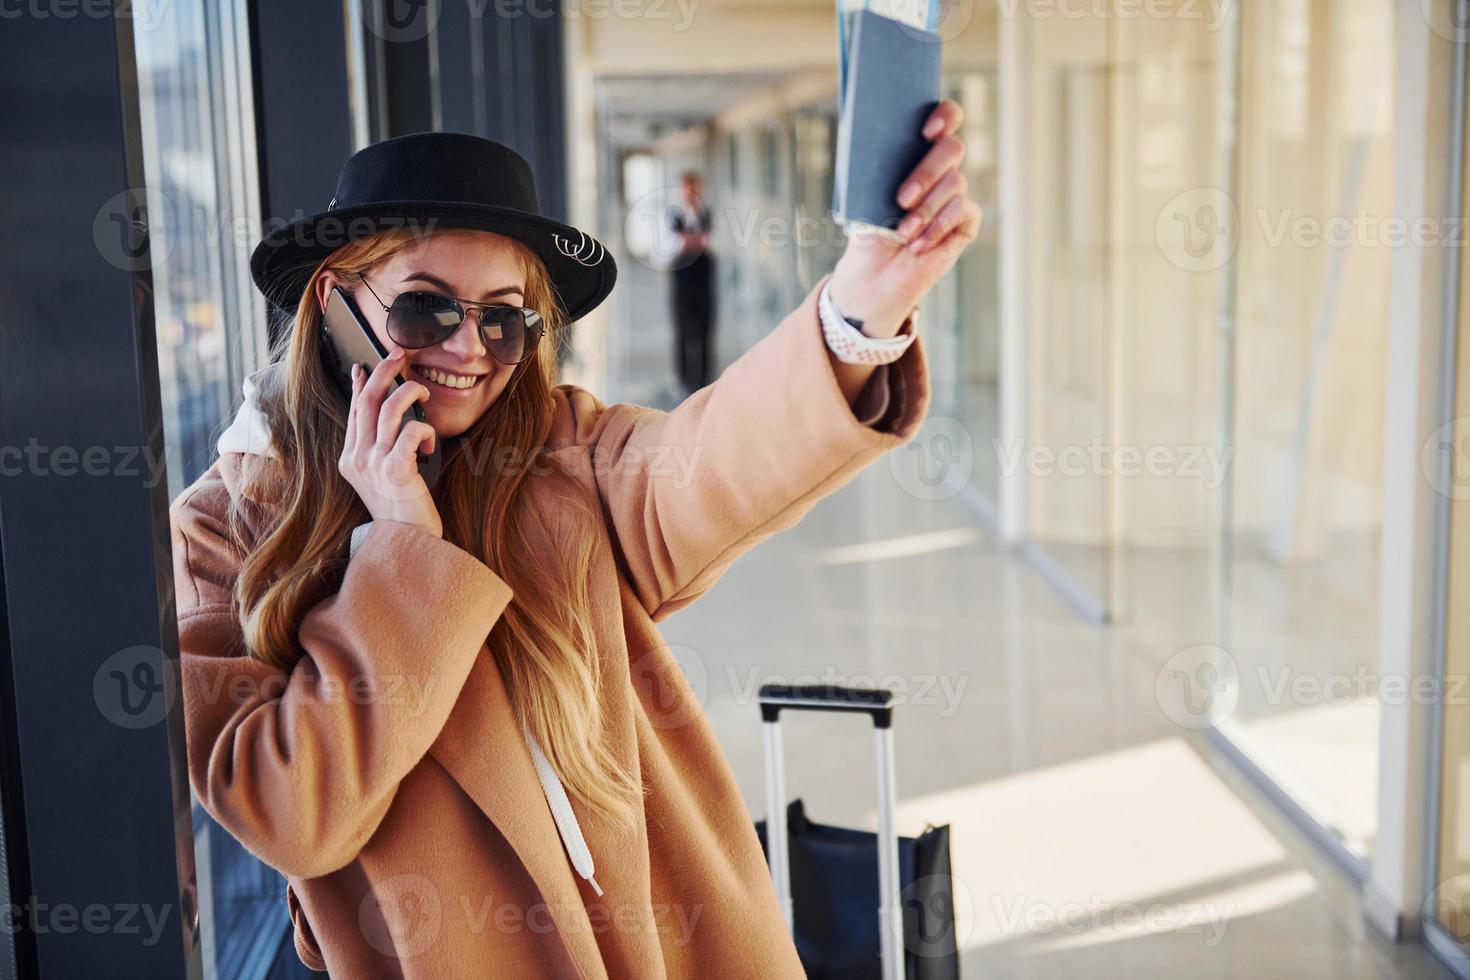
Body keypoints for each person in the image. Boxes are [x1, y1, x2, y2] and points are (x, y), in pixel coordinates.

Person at [170, 106, 979, 977]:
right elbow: (290, 808)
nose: (468, 349)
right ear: (336, 302)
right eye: (424, 308)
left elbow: (714, 462)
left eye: (504, 320)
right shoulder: (224, 529)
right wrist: (401, 543)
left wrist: (863, 304)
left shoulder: (560, 454)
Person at [665, 172, 716, 395]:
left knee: (705, 331)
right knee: (683, 331)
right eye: (687, 189)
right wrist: (695, 240)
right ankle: (684, 381)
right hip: (682, 282)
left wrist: (690, 240)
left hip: (703, 281)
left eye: (694, 189)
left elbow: (708, 243)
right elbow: (672, 246)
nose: (690, 194)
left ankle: (704, 382)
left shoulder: (707, 214)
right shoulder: (672, 216)